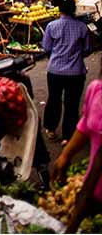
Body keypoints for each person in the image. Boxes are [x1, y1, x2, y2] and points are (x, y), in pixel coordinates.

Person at [51, 68, 102, 219]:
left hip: (88, 196)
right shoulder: (96, 89)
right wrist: (66, 155)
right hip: (92, 197)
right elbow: (87, 124)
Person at [42, 0, 92, 143]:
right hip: (76, 72)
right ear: (73, 9)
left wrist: (57, 55)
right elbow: (88, 49)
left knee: (54, 99)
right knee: (72, 103)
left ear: (59, 9)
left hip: (55, 71)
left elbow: (47, 48)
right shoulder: (82, 27)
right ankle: (68, 136)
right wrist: (76, 55)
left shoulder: (51, 26)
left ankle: (50, 129)